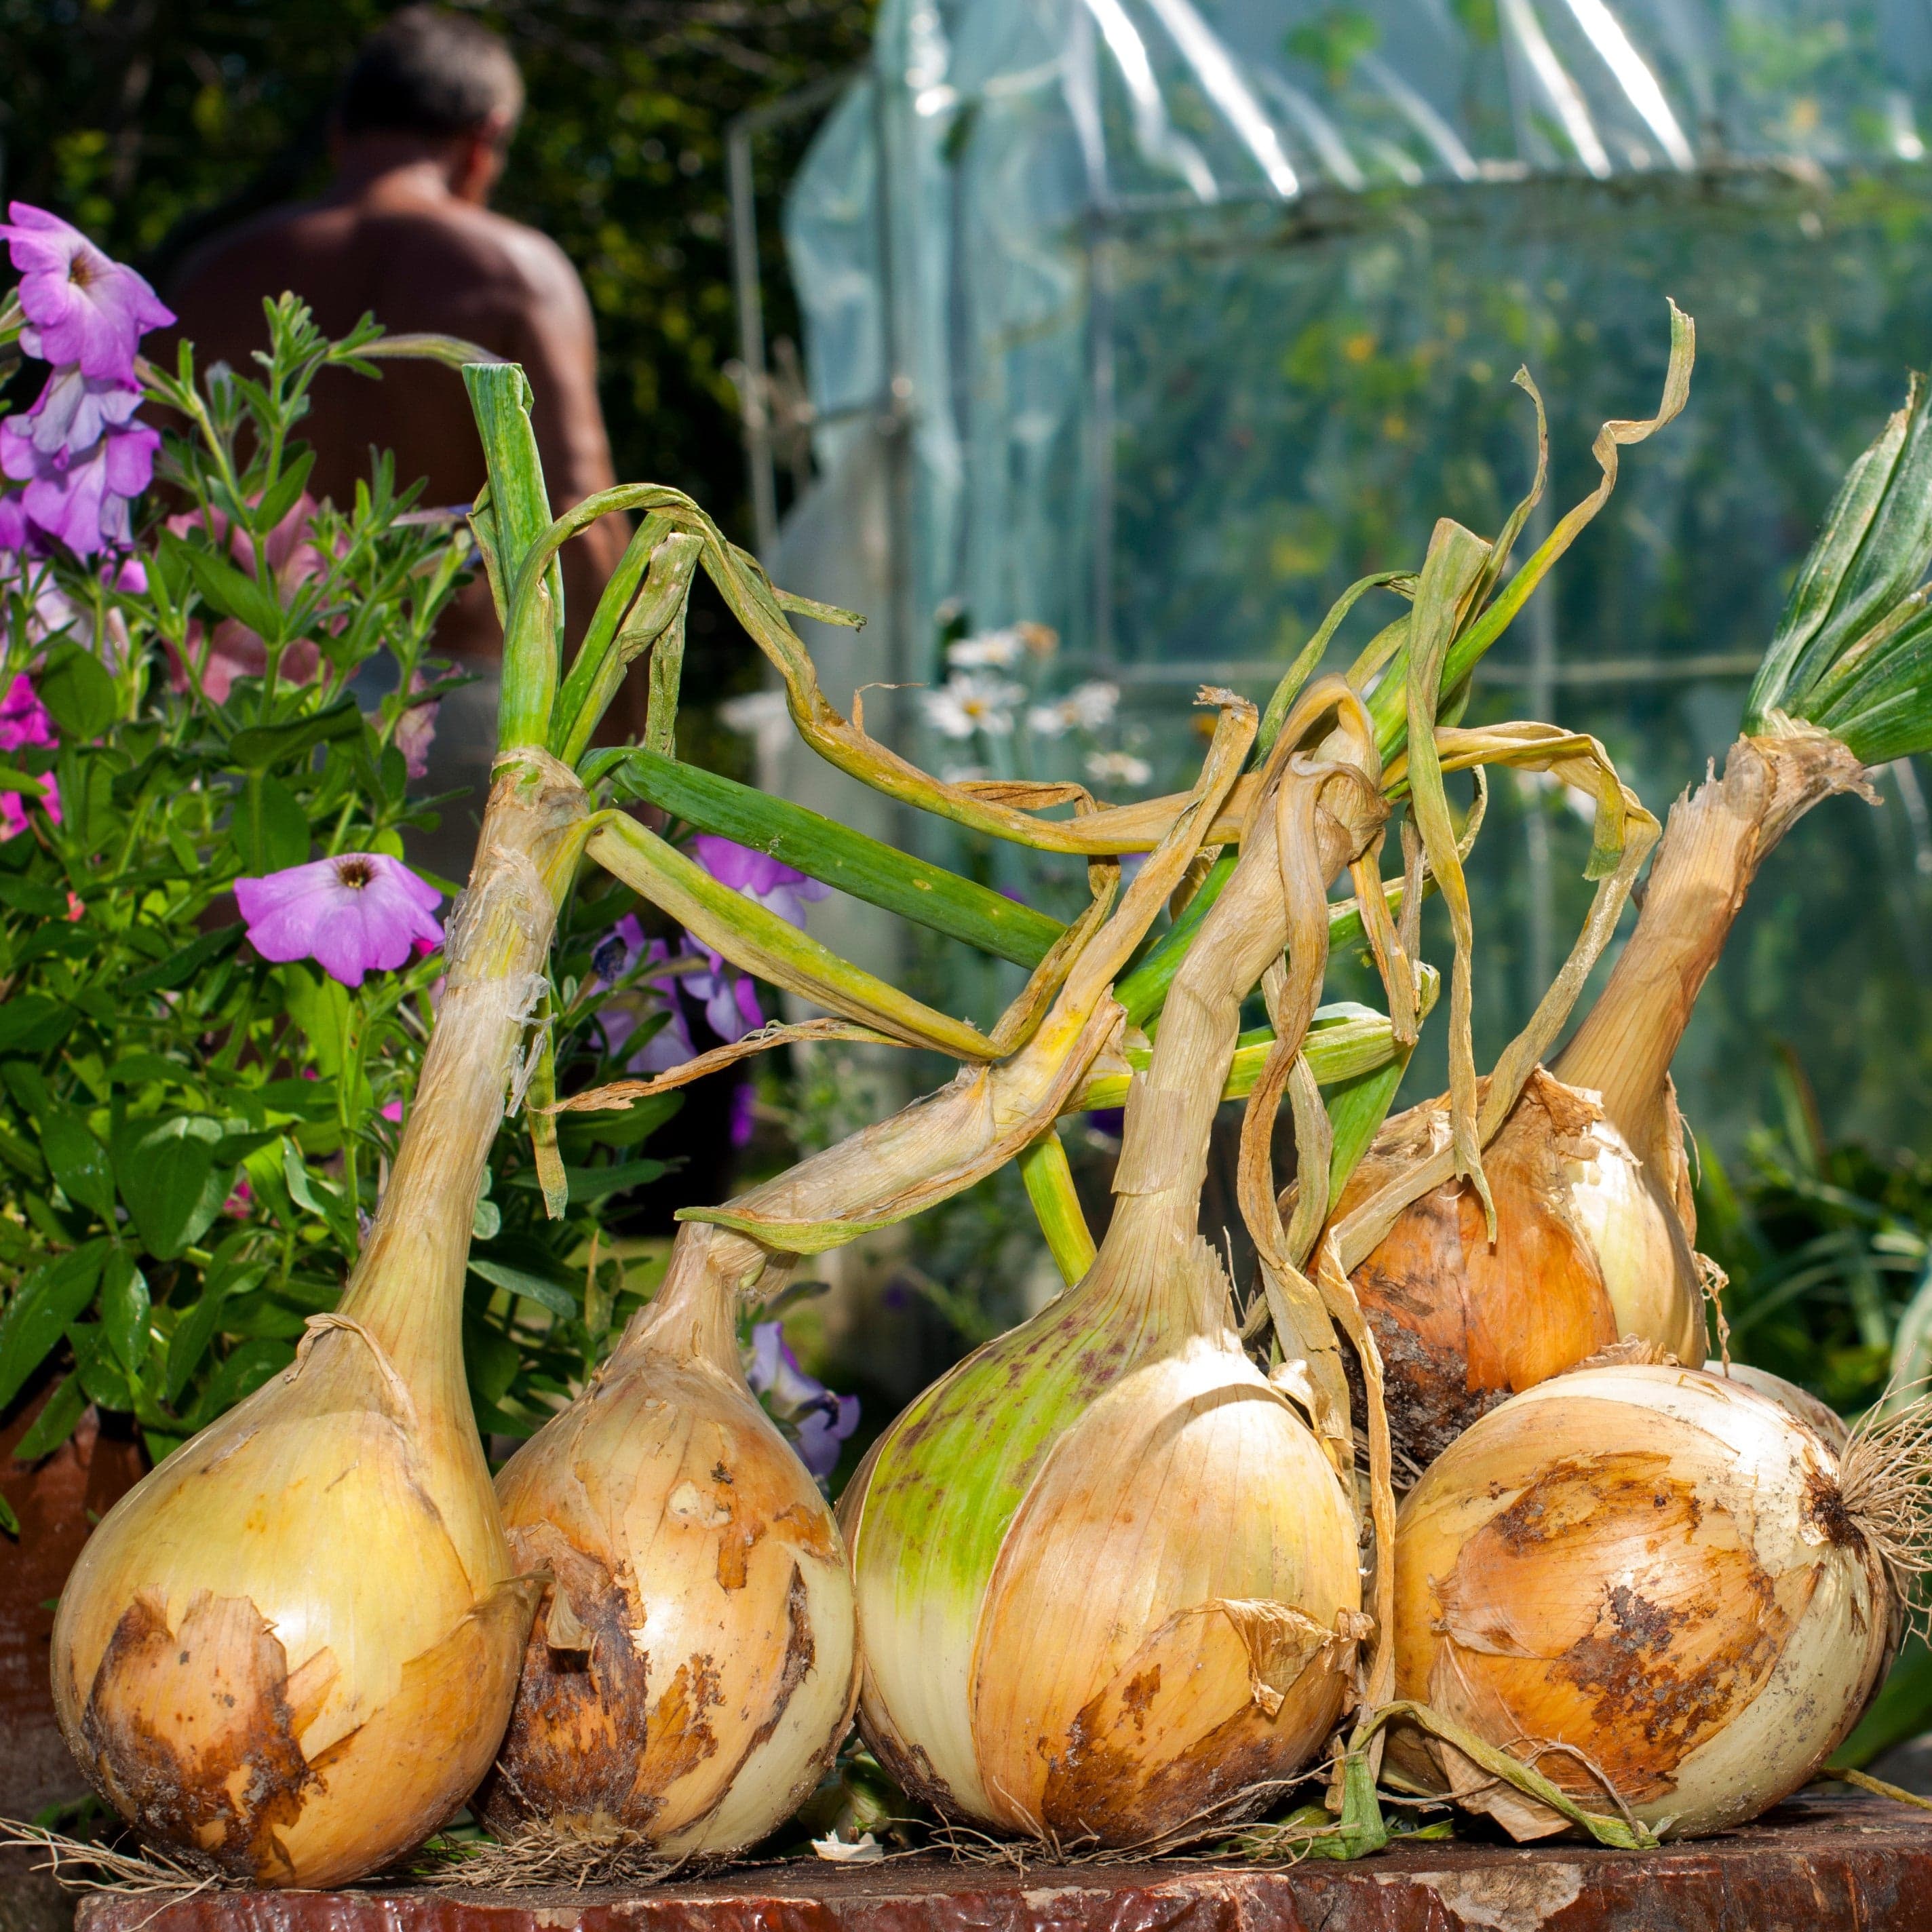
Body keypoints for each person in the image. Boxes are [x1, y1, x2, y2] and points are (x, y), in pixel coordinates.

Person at [166, 6, 635, 783]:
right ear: (484, 141)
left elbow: (145, 504)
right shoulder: (514, 271)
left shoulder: (213, 275)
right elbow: (580, 516)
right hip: (453, 714)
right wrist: (618, 742)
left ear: (340, 134)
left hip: (243, 715)